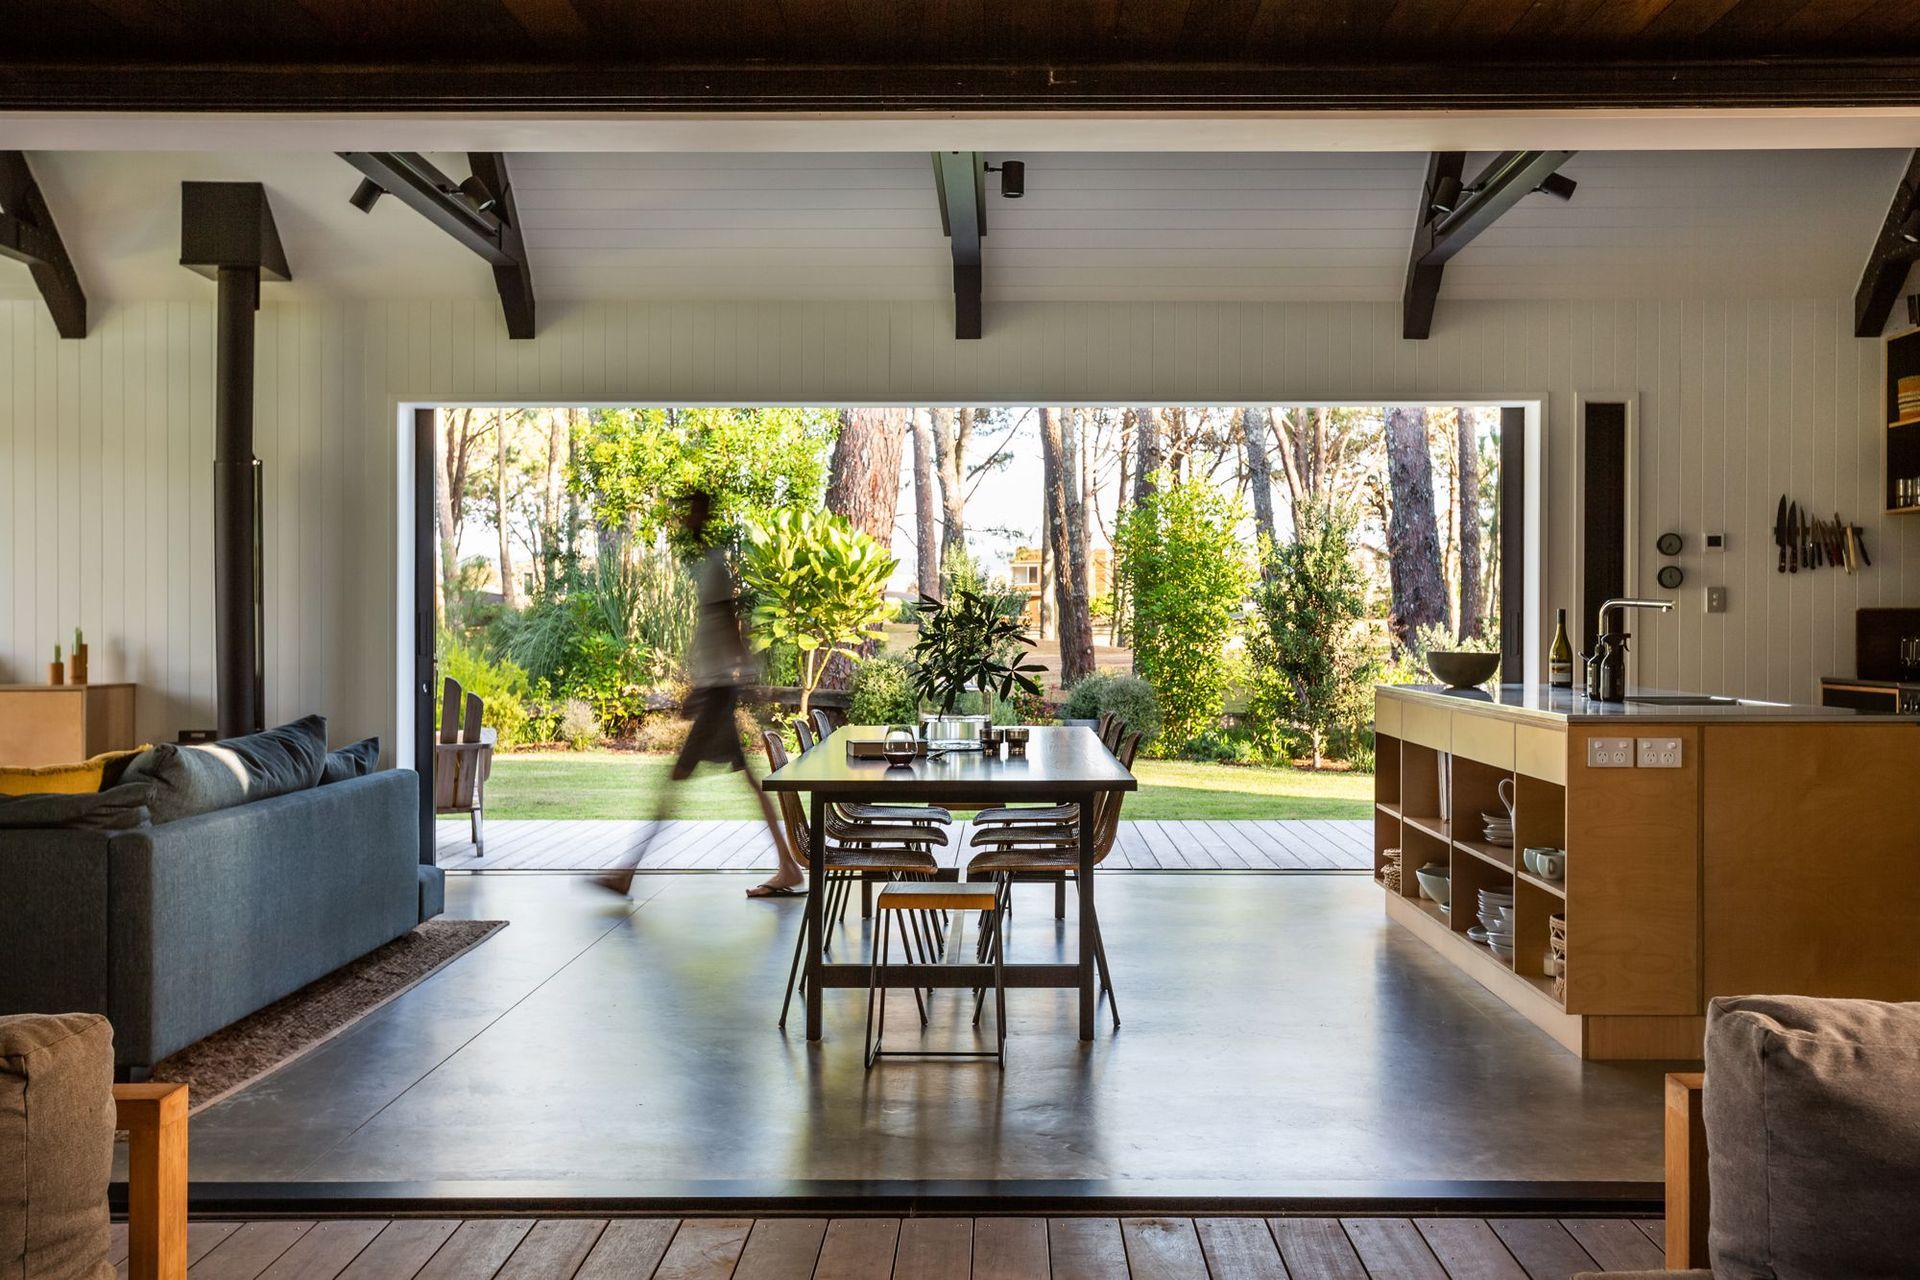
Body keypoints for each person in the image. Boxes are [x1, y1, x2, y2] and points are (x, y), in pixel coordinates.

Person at [591, 490, 805, 898]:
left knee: (678, 779)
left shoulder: (714, 565)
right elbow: (721, 627)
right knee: (743, 783)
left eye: (689, 511)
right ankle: (787, 865)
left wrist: (712, 684)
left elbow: (725, 623)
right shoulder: (711, 563)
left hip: (718, 691)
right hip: (718, 688)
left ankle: (626, 873)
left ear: (702, 513)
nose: (684, 519)